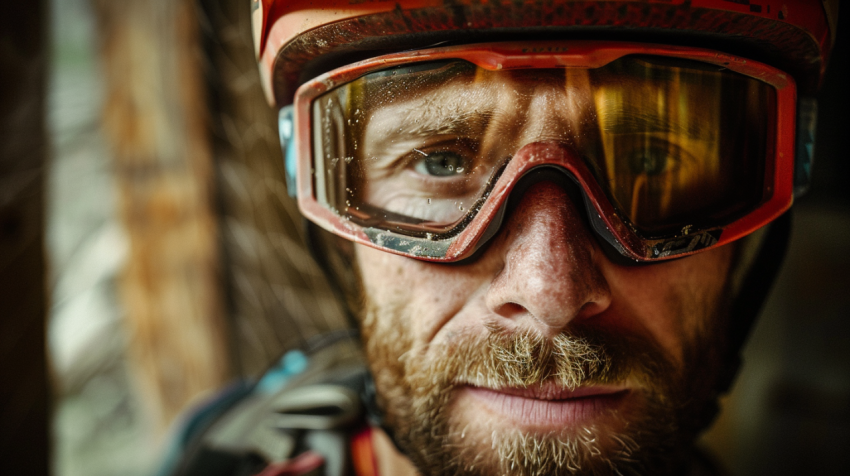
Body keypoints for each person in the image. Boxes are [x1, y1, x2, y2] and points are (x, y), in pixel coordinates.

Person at [166, 1, 839, 475]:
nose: (551, 293)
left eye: (653, 164)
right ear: (343, 236)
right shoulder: (220, 451)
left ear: (746, 244)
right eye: (440, 162)